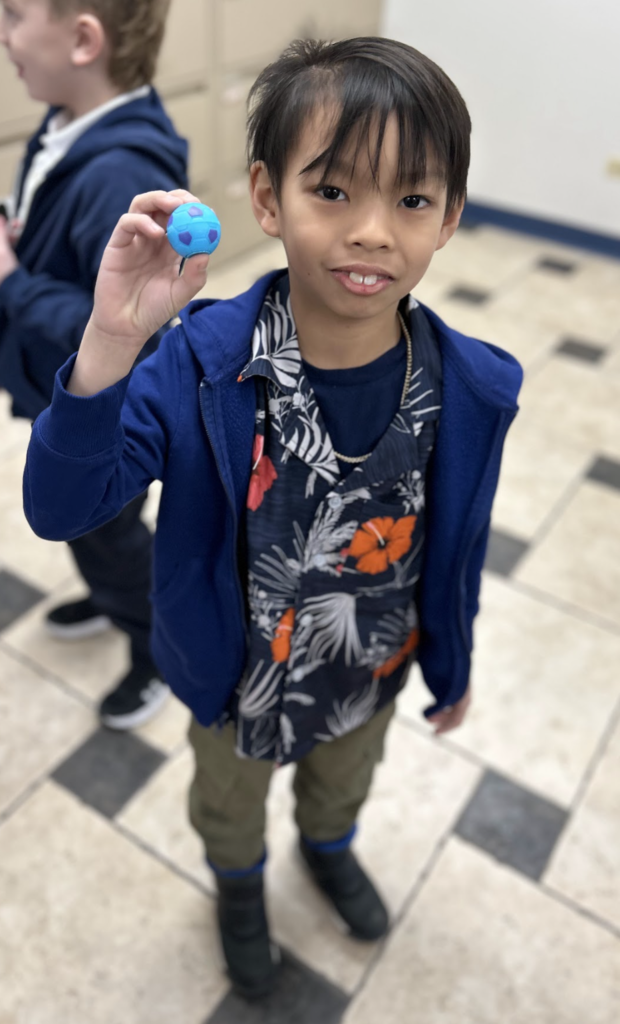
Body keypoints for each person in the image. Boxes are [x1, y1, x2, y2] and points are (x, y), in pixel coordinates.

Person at [23, 37, 523, 998]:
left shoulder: (471, 390)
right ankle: (240, 888)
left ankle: (327, 848)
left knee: (344, 785)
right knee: (229, 805)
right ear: (266, 197)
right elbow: (62, 506)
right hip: (232, 678)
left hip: (372, 664)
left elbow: (452, 556)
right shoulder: (198, 361)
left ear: (450, 217)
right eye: (332, 191)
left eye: (411, 200)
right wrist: (110, 344)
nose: (373, 231)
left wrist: (451, 662)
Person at [0, 0, 188, 728]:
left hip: (101, 405)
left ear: (83, 41)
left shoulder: (120, 170)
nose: (4, 33)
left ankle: (154, 648)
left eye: (14, 15)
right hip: (67, 393)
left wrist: (13, 278)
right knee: (90, 525)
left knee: (108, 529)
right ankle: (114, 597)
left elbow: (114, 325)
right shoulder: (67, 119)